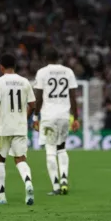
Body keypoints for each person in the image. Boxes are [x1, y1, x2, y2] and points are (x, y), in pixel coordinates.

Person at [0, 53, 36, 205]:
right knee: (20, 159)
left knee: (0, 161)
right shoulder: (25, 82)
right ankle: (28, 182)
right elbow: (33, 105)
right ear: (15, 66)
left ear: (1, 67)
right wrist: (25, 117)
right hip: (20, 127)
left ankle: (1, 196)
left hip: (2, 128)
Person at [33, 46, 80, 195]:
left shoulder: (42, 72)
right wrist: (76, 118)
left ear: (45, 59)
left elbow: (39, 97)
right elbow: (73, 96)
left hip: (48, 116)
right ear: (58, 57)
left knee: (50, 149)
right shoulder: (68, 72)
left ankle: (55, 186)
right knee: (62, 147)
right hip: (64, 115)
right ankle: (64, 179)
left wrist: (35, 117)